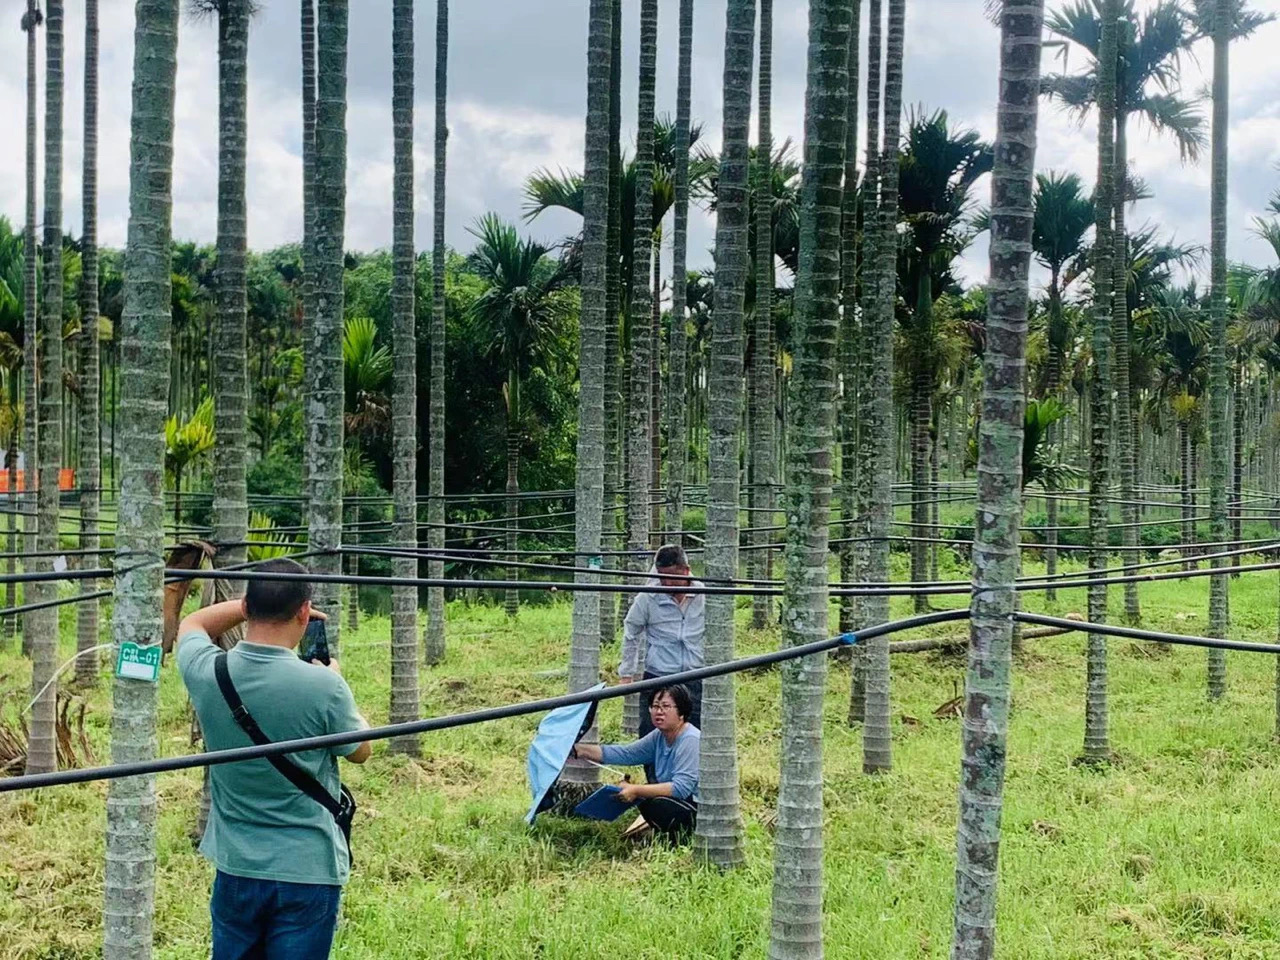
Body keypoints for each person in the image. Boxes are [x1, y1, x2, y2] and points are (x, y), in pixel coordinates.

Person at [176, 557, 371, 960]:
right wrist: (336, 679)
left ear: (246, 607)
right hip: (307, 869)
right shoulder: (325, 686)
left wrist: (246, 602)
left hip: (236, 867)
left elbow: (192, 624)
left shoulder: (207, 670)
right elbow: (361, 753)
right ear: (304, 611)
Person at [572, 684, 699, 840]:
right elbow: (627, 754)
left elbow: (681, 788)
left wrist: (635, 790)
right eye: (655, 706)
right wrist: (579, 750)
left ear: (681, 712)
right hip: (681, 803)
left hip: (699, 809)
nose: (659, 712)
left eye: (666, 706)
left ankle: (683, 838)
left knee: (653, 802)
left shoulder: (690, 740)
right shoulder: (659, 736)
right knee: (649, 799)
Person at [619, 544, 704, 741]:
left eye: (672, 576)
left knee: (695, 736)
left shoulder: (704, 594)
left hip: (696, 676)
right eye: (661, 576)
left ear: (686, 570)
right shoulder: (649, 597)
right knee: (651, 737)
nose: (666, 582)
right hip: (659, 676)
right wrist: (626, 672)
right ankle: (655, 774)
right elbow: (631, 631)